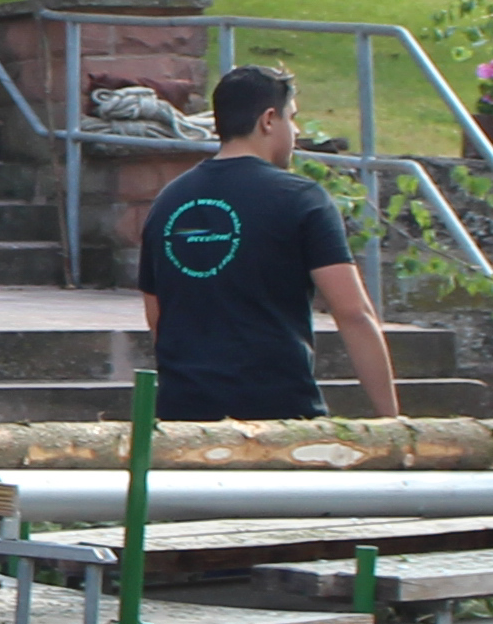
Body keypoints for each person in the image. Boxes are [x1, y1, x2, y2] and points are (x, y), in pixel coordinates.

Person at [136, 62, 402, 422]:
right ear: (269, 120)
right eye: (292, 118)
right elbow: (353, 313)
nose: (296, 131)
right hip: (278, 415)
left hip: (183, 418)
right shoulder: (301, 198)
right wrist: (391, 422)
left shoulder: (167, 203)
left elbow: (158, 318)